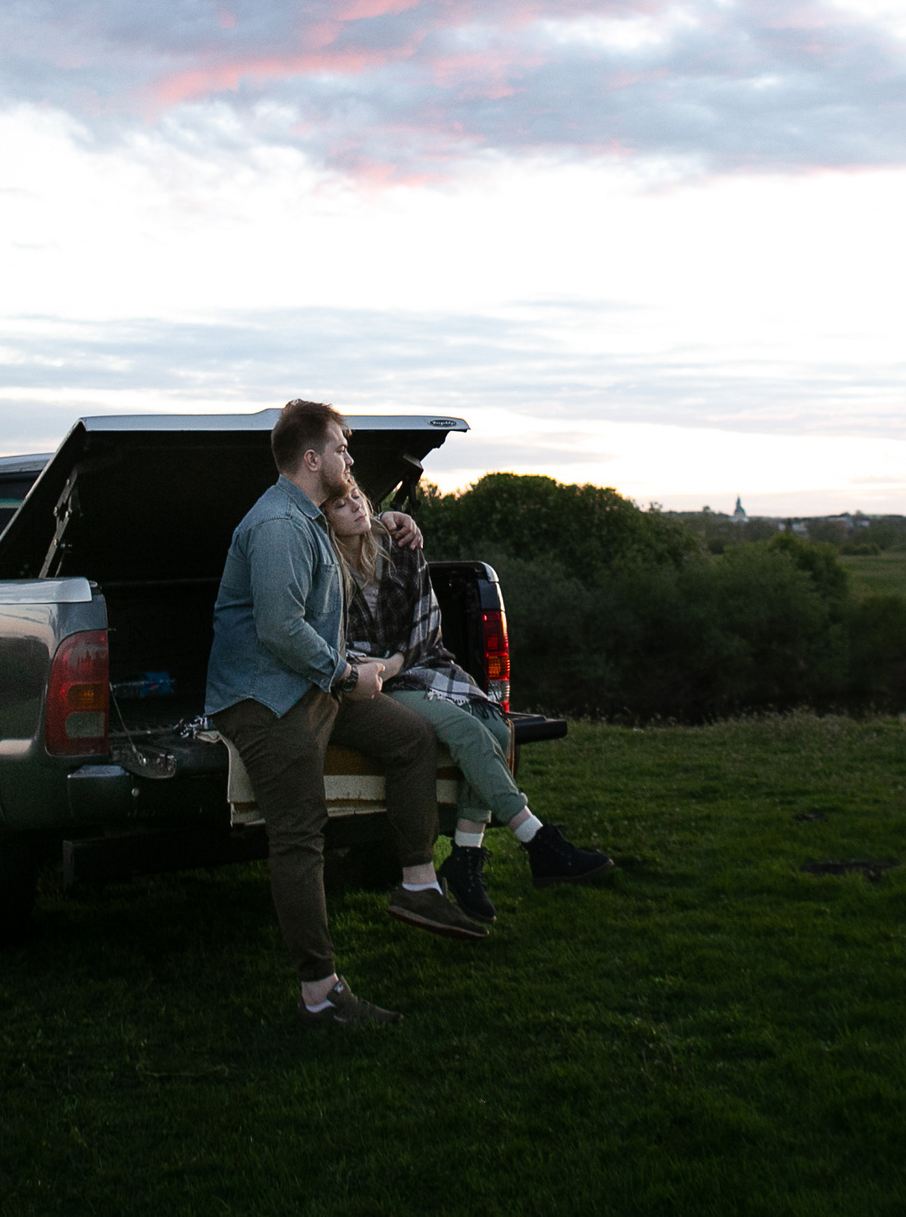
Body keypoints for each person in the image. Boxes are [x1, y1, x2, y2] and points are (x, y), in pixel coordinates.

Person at [205, 400, 489, 1029]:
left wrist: (390, 521)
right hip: (265, 698)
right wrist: (343, 674)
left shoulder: (309, 518)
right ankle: (319, 993)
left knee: (411, 738)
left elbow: (351, 538)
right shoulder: (278, 526)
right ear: (312, 459)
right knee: (302, 832)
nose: (350, 459)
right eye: (341, 448)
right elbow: (280, 629)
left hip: (315, 687)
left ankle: (418, 884)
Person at [325, 480, 615, 923]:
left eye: (357, 497)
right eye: (339, 503)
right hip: (370, 685)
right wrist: (382, 670)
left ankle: (464, 859)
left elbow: (427, 623)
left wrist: (397, 661)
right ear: (323, 517)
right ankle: (538, 842)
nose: (354, 506)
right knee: (466, 730)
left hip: (417, 666)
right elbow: (335, 648)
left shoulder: (398, 545)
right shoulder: (321, 565)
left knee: (498, 728)